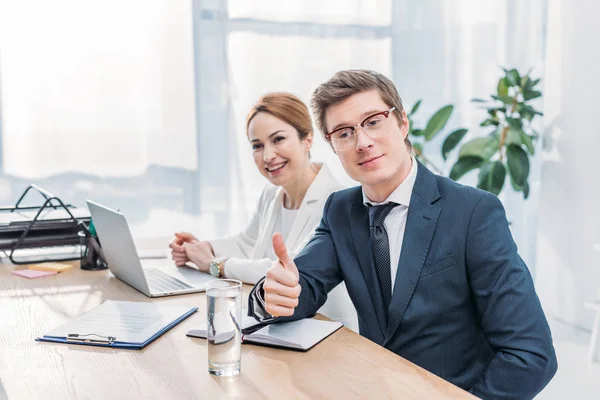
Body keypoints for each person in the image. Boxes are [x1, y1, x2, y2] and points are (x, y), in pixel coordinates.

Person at [249, 70, 557, 399]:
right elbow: (302, 285)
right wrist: (275, 293)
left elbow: (531, 355)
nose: (362, 142)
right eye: (344, 133)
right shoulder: (340, 209)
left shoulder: (472, 212)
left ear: (402, 123)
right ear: (333, 146)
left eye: (373, 121)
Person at [169, 92, 358, 331]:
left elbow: (284, 272)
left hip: (324, 332)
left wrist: (216, 265)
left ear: (307, 139)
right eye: (257, 146)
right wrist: (202, 249)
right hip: (278, 327)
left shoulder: (335, 201)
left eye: (278, 139)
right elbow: (247, 243)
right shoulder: (273, 194)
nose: (268, 156)